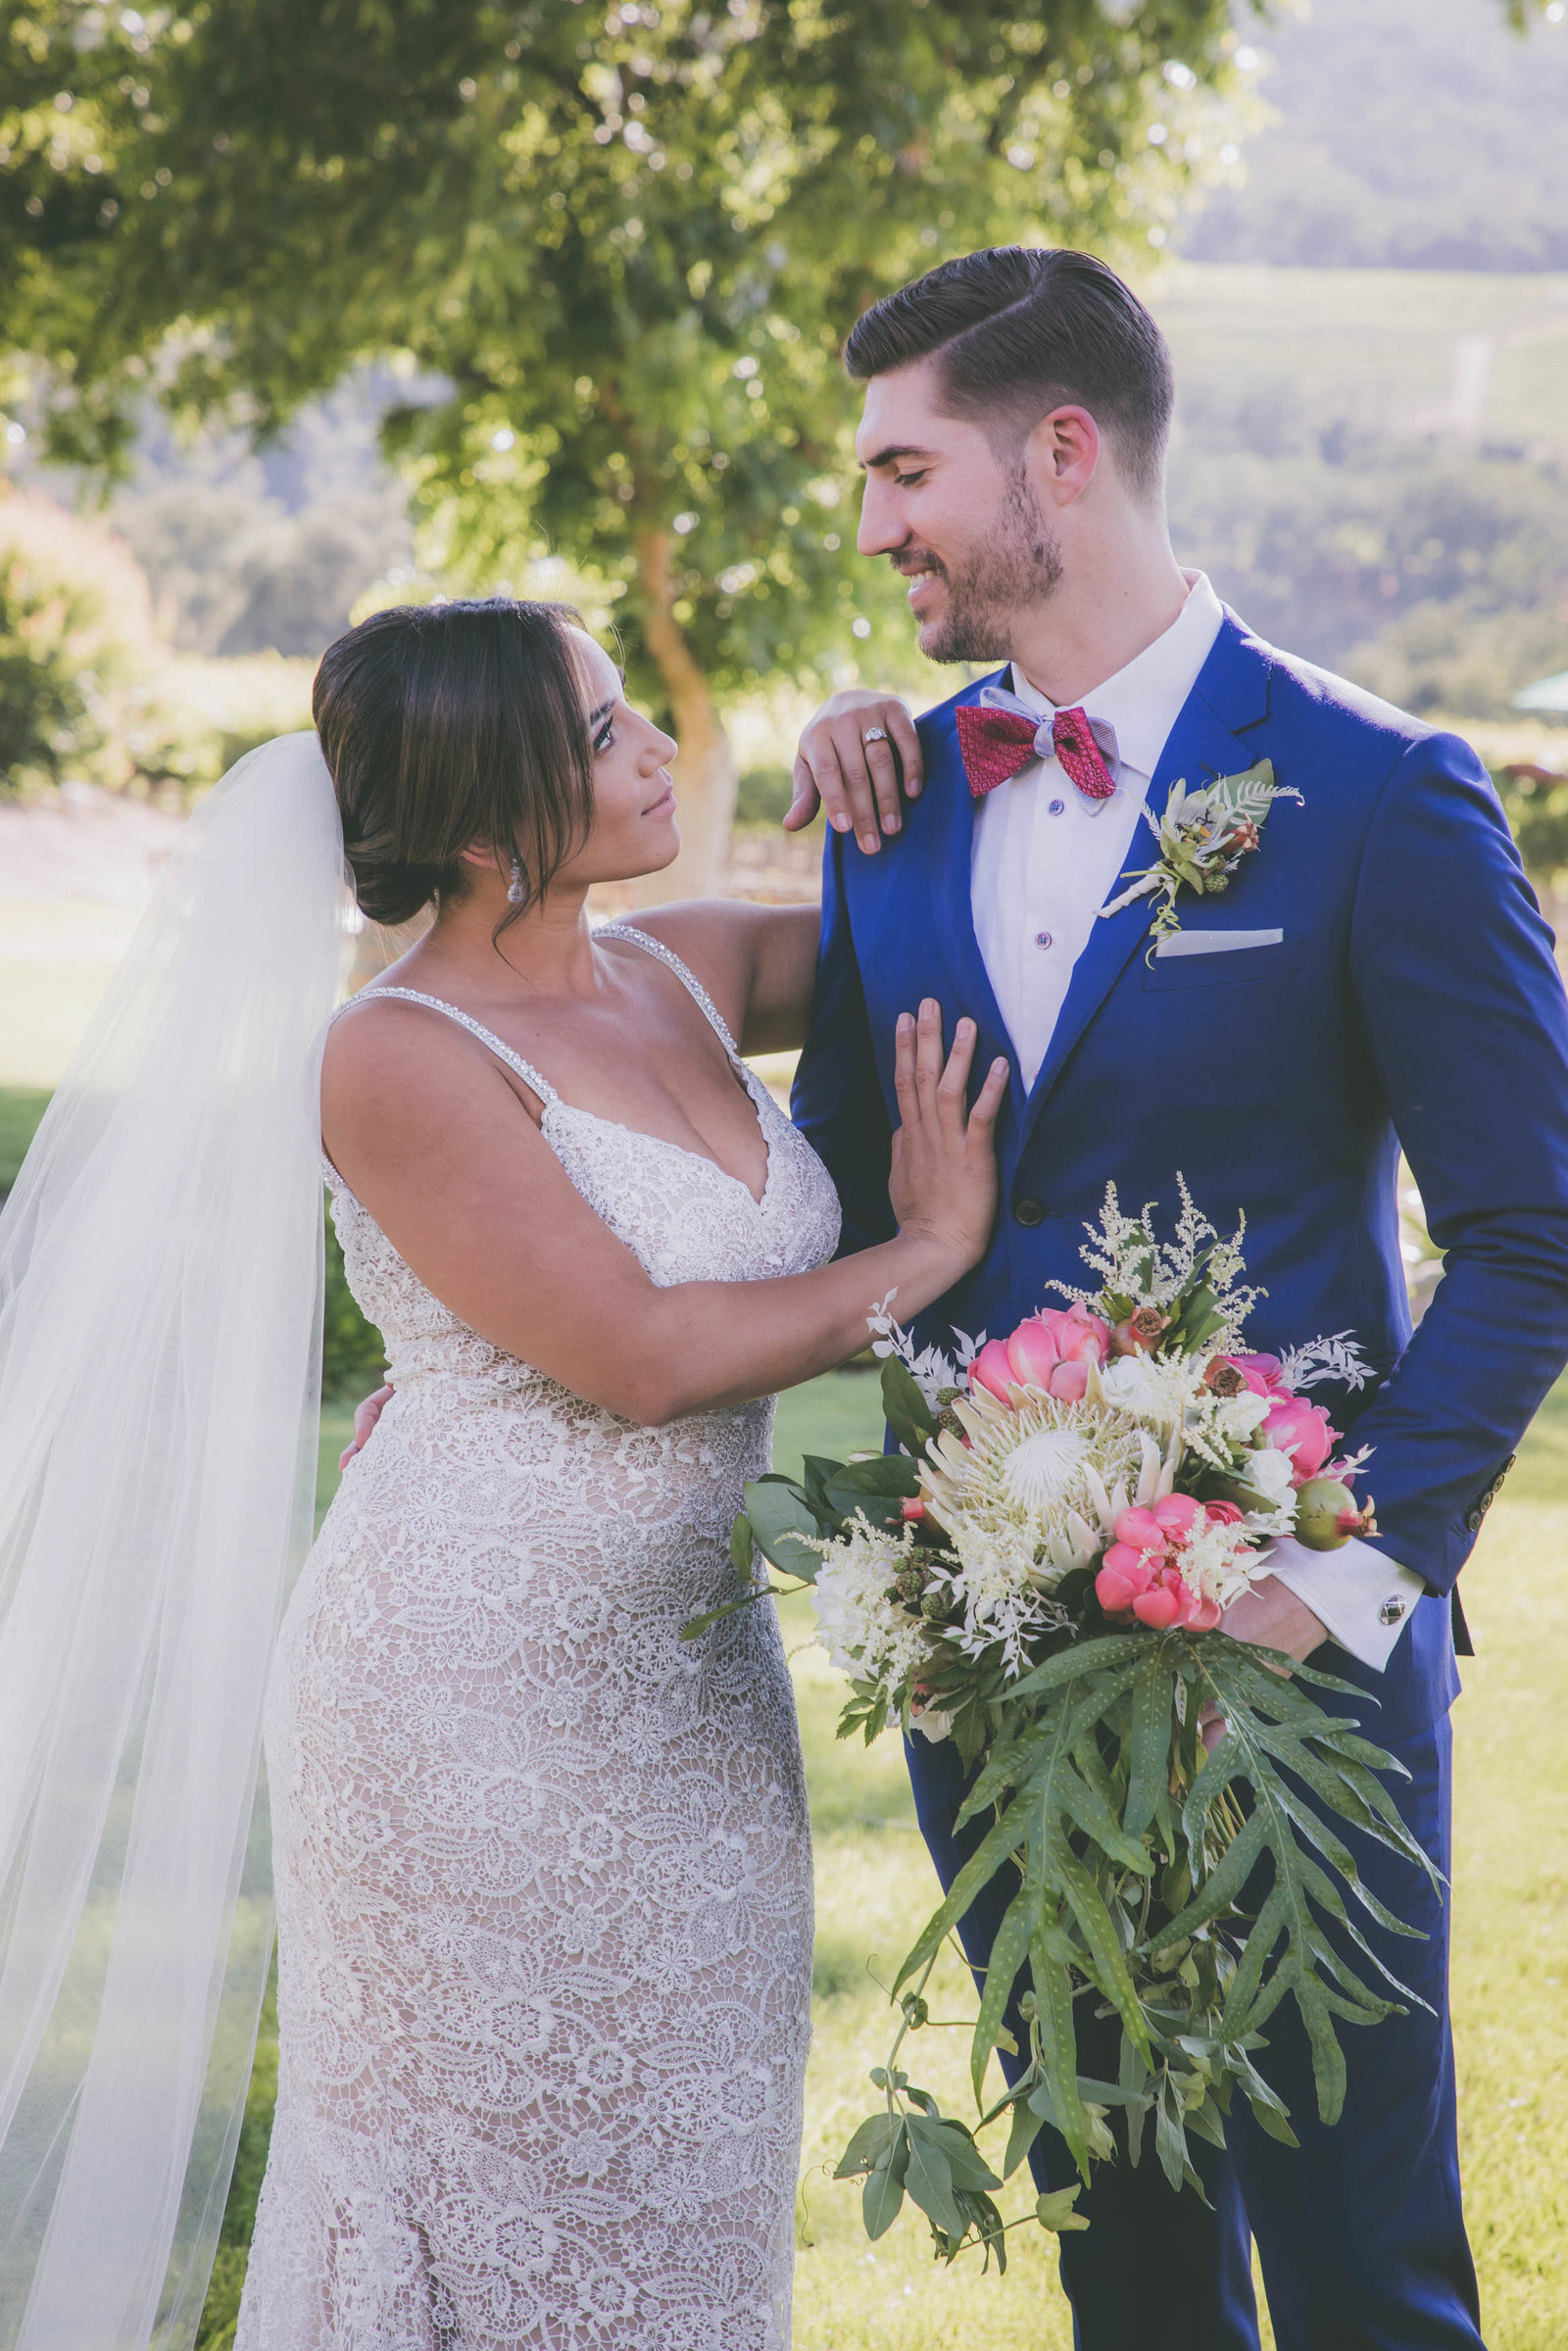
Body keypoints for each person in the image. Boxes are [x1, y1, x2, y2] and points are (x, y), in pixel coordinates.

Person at [0, 597, 1006, 2351]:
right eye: (603, 732)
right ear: (485, 829)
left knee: (686, 2198)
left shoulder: (686, 965)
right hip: (460, 1715)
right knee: (493, 2219)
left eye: (632, 713)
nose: (651, 752)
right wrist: (923, 1248)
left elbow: (931, 917)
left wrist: (881, 740)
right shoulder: (391, 1055)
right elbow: (643, 1354)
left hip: (692, 1695)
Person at [785, 246, 1568, 2349]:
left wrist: (1345, 1574)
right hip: (993, 1665)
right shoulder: (889, 802)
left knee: (1361, 2260)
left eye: (899, 466)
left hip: (1293, 1661)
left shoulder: (1378, 790)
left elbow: (1531, 1229)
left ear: (1060, 450)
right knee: (1115, 2248)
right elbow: (833, 1198)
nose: (870, 528)